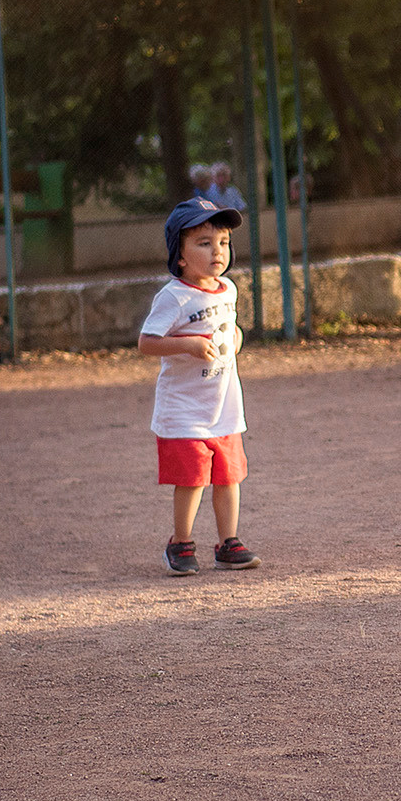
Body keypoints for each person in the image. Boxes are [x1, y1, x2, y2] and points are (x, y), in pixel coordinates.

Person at [138, 197, 260, 576]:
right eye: (204, 243)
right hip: (185, 411)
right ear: (180, 255)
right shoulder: (173, 297)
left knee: (228, 476)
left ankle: (228, 542)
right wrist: (187, 345)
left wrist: (236, 338)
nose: (217, 251)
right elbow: (147, 342)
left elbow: (230, 329)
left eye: (223, 242)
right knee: (192, 480)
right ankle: (181, 542)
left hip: (223, 407)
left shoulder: (227, 289)